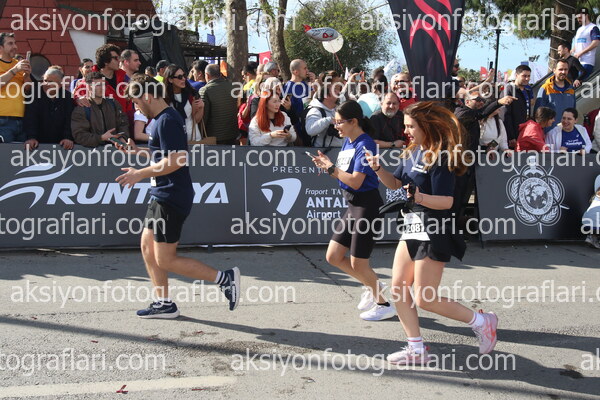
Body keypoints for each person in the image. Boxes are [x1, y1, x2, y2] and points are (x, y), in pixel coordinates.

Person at [365, 101, 497, 364]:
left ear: (427, 126)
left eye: (411, 126)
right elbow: (396, 183)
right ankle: (416, 349)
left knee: (425, 298)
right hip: (411, 227)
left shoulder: (441, 157)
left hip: (434, 229)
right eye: (405, 126)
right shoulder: (412, 152)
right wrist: (378, 169)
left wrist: (420, 197)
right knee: (398, 288)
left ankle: (482, 322)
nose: (406, 132)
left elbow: (447, 201)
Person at [116, 73, 240, 318]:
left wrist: (139, 174)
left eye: (136, 101)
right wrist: (138, 152)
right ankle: (164, 304)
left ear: (147, 96)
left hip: (171, 196)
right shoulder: (162, 119)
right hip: (161, 193)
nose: (136, 107)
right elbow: (164, 155)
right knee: (147, 247)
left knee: (165, 259)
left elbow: (177, 160)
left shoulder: (167, 120)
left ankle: (224, 278)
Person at [311, 100, 394, 321]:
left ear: (353, 121)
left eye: (339, 122)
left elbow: (356, 182)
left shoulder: (366, 144)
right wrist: (329, 166)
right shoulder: (348, 142)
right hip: (353, 205)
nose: (336, 126)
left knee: (359, 263)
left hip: (367, 206)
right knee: (333, 256)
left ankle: (384, 304)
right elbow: (343, 175)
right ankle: (372, 284)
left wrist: (331, 168)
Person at [71, 71, 129, 147]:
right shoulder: (82, 109)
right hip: (91, 152)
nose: (103, 88)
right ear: (89, 87)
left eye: (104, 84)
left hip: (116, 149)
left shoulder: (113, 103)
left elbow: (123, 124)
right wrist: (101, 138)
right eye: (98, 85)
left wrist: (122, 137)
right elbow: (79, 135)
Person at [23, 68, 74, 150]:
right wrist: (31, 137)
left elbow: (69, 120)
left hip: (61, 146)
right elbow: (30, 118)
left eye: (51, 82)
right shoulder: (34, 94)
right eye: (45, 80)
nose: (46, 84)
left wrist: (67, 137)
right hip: (36, 145)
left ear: (60, 84)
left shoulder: (68, 97)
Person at [0, 32, 32, 143]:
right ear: (0, 48)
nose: (15, 46)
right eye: (10, 43)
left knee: (19, 153)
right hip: (2, 119)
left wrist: (27, 76)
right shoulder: (17, 67)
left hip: (21, 119)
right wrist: (15, 70)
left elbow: (27, 90)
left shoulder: (18, 64)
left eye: (15, 43)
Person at [199, 64, 238, 145]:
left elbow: (204, 115)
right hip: (232, 133)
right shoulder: (232, 87)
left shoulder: (205, 90)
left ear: (207, 75)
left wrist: (200, 133)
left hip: (213, 135)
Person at [164, 65, 203, 142]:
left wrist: (201, 107)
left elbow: (196, 120)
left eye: (184, 76)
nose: (183, 79)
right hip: (173, 139)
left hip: (193, 138)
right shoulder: (164, 99)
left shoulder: (191, 95)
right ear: (170, 79)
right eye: (179, 77)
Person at [534, 60, 576, 131]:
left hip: (567, 132)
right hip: (549, 133)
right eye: (560, 69)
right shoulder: (545, 88)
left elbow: (573, 112)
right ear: (554, 70)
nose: (563, 72)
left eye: (565, 69)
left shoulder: (571, 89)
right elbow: (538, 114)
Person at [306, 71, 344, 148]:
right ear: (326, 95)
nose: (338, 92)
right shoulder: (316, 110)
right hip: (322, 152)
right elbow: (310, 130)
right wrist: (329, 120)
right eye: (334, 90)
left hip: (340, 151)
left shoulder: (338, 110)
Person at [503, 65, 534, 148]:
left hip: (524, 133)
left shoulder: (527, 91)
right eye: (524, 76)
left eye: (528, 76)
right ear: (516, 75)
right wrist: (511, 136)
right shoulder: (509, 89)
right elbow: (505, 114)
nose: (527, 79)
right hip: (513, 135)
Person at [573, 7, 600, 76]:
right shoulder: (579, 30)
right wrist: (571, 52)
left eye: (580, 17)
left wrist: (581, 53)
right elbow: (577, 44)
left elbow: (596, 42)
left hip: (587, 62)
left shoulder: (593, 28)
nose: (578, 20)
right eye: (577, 18)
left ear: (586, 15)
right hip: (576, 62)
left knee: (581, 81)